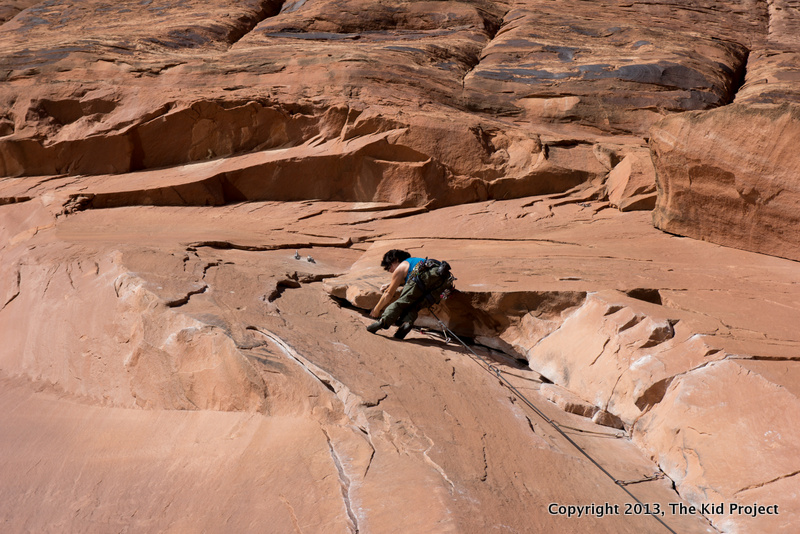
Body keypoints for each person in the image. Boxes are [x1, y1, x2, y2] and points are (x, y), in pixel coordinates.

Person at [367, 249, 454, 339]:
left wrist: (376, 309)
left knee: (401, 303)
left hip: (422, 278)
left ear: (396, 260)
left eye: (389, 267)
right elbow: (410, 282)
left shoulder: (403, 265)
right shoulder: (414, 262)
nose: (390, 271)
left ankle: (382, 322)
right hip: (443, 284)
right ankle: (406, 323)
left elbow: (388, 293)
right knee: (415, 306)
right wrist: (389, 284)